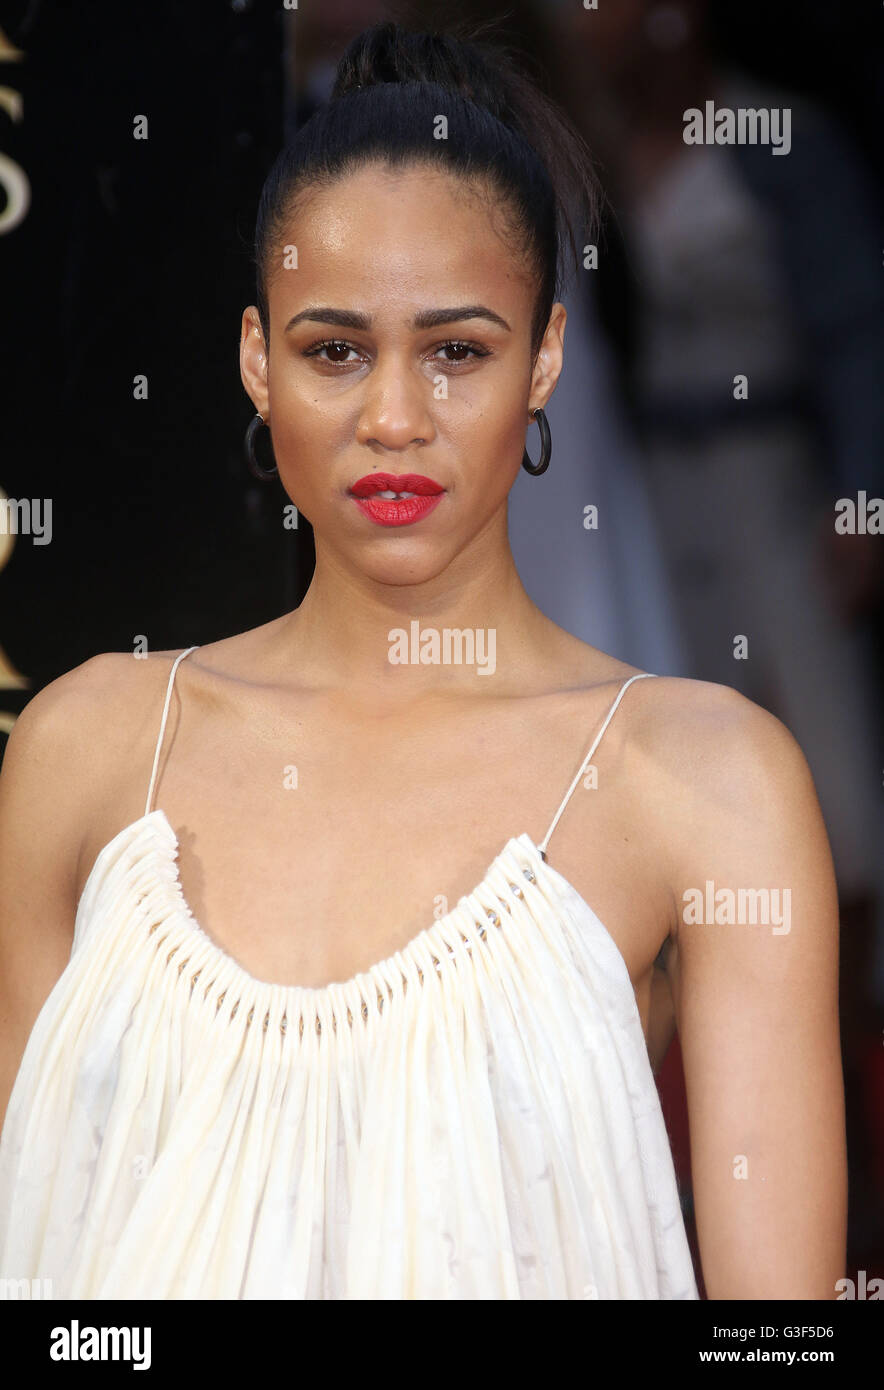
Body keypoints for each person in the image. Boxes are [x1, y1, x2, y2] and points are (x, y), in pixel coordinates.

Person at [0, 19, 845, 1299]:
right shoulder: (86, 749)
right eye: (333, 349)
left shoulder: (706, 780)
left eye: (456, 350)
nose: (393, 419)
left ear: (545, 357)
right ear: (253, 361)